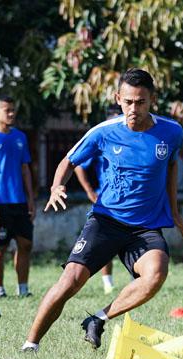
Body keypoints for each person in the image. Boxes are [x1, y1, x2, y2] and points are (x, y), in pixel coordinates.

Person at [21, 68, 183, 353]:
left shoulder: (172, 132)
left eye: (140, 102)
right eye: (127, 102)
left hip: (145, 227)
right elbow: (68, 160)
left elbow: (172, 167)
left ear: (152, 100)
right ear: (118, 98)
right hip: (106, 221)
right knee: (70, 281)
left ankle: (98, 319)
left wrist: (174, 214)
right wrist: (56, 187)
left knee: (156, 273)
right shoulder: (103, 132)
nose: (133, 109)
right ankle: (31, 344)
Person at [0, 94, 35, 298]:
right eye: (7, 110)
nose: (12, 113)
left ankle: (23, 289)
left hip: (20, 202)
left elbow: (25, 169)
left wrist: (31, 198)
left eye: (13, 109)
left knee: (25, 244)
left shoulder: (20, 137)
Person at [73, 104, 122, 294]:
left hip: (132, 202)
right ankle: (107, 282)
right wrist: (89, 191)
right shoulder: (102, 138)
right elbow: (77, 165)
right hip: (106, 202)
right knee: (105, 242)